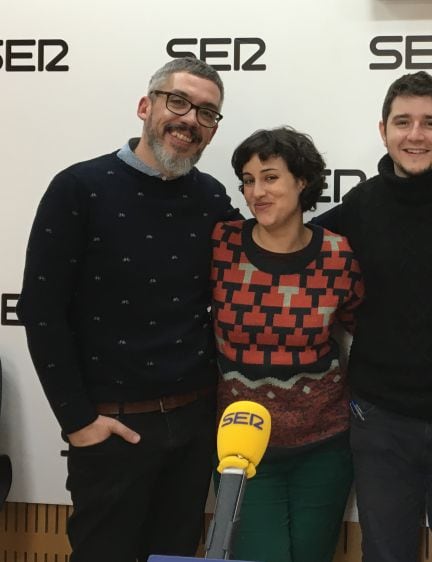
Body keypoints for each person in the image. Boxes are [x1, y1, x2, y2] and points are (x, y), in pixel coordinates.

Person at [17, 57, 240, 562]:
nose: (190, 120)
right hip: (112, 431)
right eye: (178, 101)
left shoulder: (210, 197)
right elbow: (42, 310)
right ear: (147, 106)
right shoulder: (79, 187)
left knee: (177, 556)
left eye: (207, 113)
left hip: (193, 427)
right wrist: (78, 422)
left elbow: (261, 253)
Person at [314, 71, 432, 562]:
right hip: (380, 419)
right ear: (383, 131)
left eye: (430, 122)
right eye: (403, 122)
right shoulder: (362, 204)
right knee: (385, 554)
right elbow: (292, 242)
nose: (415, 135)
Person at [211, 127, 365, 562]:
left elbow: (363, 329)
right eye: (247, 179)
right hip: (241, 450)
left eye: (270, 177)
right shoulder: (222, 246)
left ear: (302, 181)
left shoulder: (338, 255)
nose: (256, 191)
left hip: (324, 447)